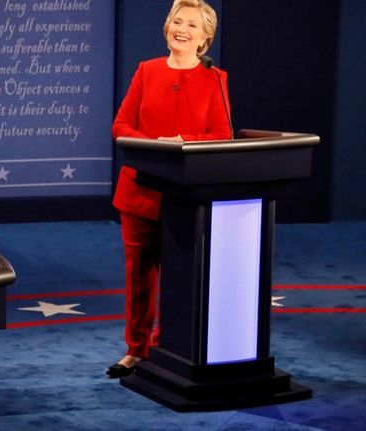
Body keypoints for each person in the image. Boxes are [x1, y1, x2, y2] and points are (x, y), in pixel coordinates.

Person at [106, 0, 231, 378]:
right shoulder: (147, 71)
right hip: (139, 190)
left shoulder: (215, 79)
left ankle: (174, 347)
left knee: (181, 276)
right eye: (177, 21)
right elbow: (122, 124)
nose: (182, 29)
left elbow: (221, 135)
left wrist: (181, 141)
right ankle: (136, 349)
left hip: (185, 197)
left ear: (205, 37)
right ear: (166, 28)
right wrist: (152, 147)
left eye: (192, 25)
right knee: (139, 276)